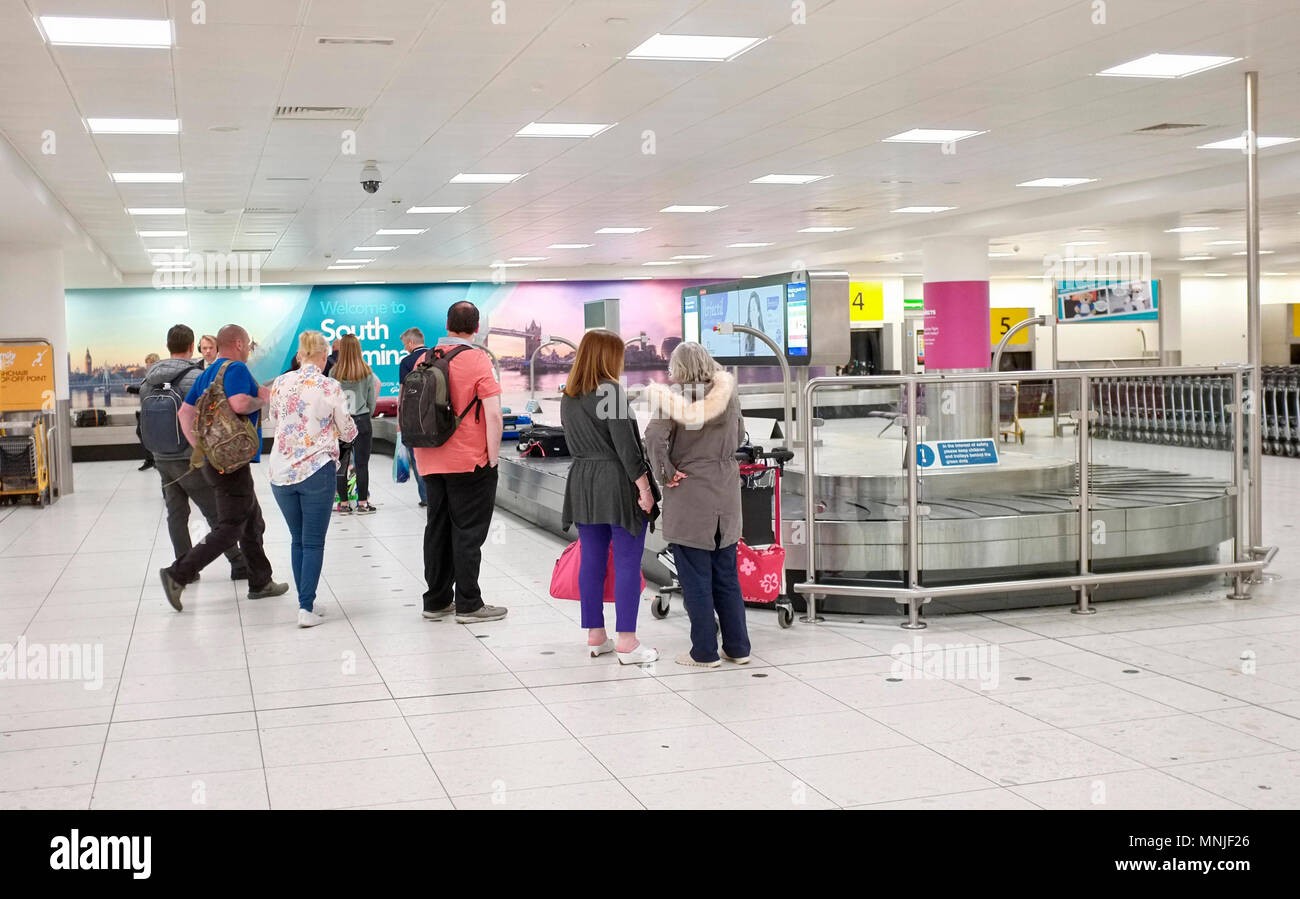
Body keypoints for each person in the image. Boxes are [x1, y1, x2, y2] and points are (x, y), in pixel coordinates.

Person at [158, 324, 288, 611]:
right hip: (230, 464)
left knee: (252, 521)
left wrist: (201, 447)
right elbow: (240, 404)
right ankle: (177, 574)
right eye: (248, 346)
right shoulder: (236, 369)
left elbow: (185, 412)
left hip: (215, 461)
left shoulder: (208, 373)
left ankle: (260, 581)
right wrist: (262, 400)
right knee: (231, 527)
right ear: (240, 344)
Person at [645, 342, 751, 669]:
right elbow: (741, 434)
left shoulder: (674, 398)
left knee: (695, 577)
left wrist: (666, 472)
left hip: (691, 490)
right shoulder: (728, 395)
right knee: (726, 574)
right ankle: (737, 647)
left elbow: (653, 439)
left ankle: (703, 652)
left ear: (678, 368)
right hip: (725, 488)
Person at [560, 329, 659, 665]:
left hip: (582, 481)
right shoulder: (611, 392)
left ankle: (596, 635)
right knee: (628, 560)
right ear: (608, 357)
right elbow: (628, 450)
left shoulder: (569, 395)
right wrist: (645, 489)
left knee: (592, 559)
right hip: (615, 482)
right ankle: (627, 642)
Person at [412, 301, 508, 623]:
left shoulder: (423, 359)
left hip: (429, 458)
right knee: (467, 531)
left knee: (436, 528)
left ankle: (436, 601)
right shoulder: (477, 359)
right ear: (476, 327)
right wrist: (492, 459)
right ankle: (469, 603)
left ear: (447, 323)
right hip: (468, 460)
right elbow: (493, 414)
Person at [143, 325, 248, 581]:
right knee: (215, 512)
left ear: (168, 345)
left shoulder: (148, 379)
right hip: (189, 455)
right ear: (192, 347)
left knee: (176, 513)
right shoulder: (195, 376)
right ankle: (238, 563)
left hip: (161, 454)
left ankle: (184, 566)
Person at [267, 331, 358, 627]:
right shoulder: (328, 385)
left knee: (298, 539)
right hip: (316, 470)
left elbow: (274, 420)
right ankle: (306, 608)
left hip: (280, 472)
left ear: (299, 355)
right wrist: (343, 434)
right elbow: (346, 428)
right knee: (313, 542)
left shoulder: (280, 383)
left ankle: (305, 602)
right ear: (322, 357)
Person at [330, 333, 378, 514]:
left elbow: (331, 400)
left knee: (341, 464)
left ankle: (343, 504)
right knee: (362, 465)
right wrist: (366, 415)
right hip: (362, 420)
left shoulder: (334, 372)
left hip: (341, 422)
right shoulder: (366, 371)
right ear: (359, 349)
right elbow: (371, 401)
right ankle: (363, 503)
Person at [398, 327, 428, 507]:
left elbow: (402, 393)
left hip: (414, 417)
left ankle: (426, 497)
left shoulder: (407, 362)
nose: (404, 348)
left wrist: (400, 418)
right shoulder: (437, 356)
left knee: (417, 457)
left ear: (410, 343)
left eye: (404, 345)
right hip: (437, 415)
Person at [132, 353, 162, 471]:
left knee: (142, 433)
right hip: (147, 408)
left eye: (150, 362)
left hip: (152, 409)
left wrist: (130, 389)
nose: (147, 365)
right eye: (147, 363)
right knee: (143, 433)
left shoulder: (156, 376)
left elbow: (149, 390)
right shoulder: (150, 375)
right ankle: (152, 459)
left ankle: (151, 460)